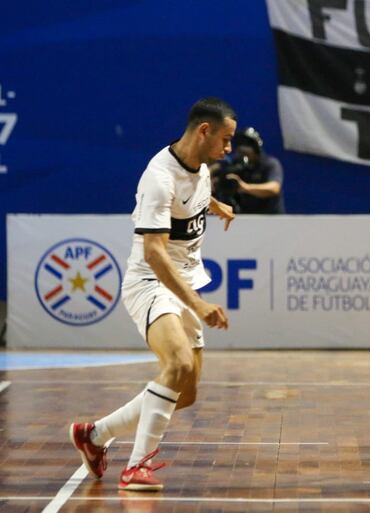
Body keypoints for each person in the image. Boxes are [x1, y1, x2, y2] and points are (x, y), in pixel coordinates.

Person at [69, 97, 237, 491]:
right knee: (177, 363)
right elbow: (154, 252)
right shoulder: (158, 177)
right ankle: (136, 467)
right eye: (226, 140)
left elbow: (191, 194)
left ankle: (93, 436)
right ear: (204, 131)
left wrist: (215, 205)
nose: (229, 149)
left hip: (184, 285)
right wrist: (197, 303)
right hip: (152, 283)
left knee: (186, 391)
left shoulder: (200, 167)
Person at [211, 127, 285, 214]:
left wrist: (245, 187)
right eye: (240, 152)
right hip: (244, 218)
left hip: (270, 218)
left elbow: (274, 189)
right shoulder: (235, 164)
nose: (242, 155)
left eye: (246, 153)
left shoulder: (270, 164)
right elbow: (216, 168)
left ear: (255, 149)